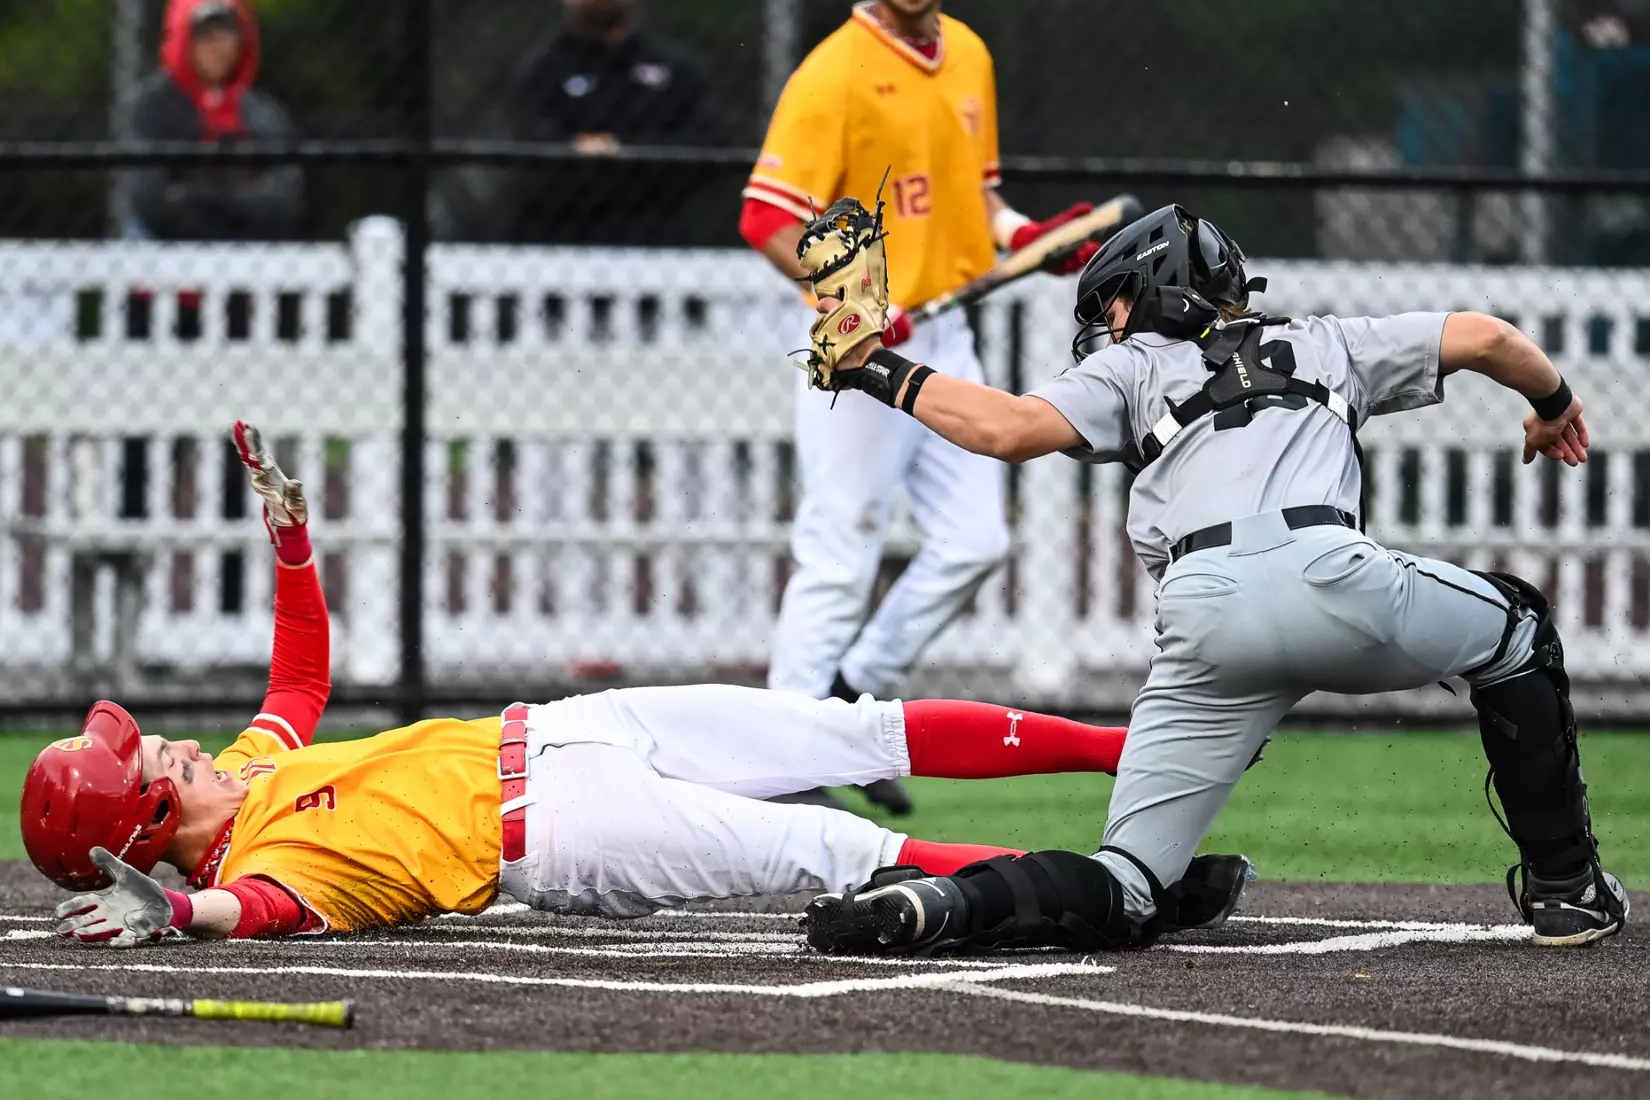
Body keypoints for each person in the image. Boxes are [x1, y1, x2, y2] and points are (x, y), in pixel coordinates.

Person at [24, 422, 1249, 946]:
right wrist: (181, 915)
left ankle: (1134, 744)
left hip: (562, 728)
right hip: (561, 832)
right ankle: (1125, 890)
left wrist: (289, 542)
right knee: (828, 846)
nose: (166, 748)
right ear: (139, 827)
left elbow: (299, 672)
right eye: (146, 767)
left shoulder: (250, 772)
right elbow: (264, 917)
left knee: (851, 728)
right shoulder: (260, 869)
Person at [794, 201, 1628, 955]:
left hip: (1205, 619)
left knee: (1125, 886)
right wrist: (1553, 404)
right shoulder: (1327, 341)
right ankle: (1567, 890)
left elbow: (1003, 429)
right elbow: (1488, 337)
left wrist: (875, 367)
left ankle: (936, 908)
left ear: (1154, 286)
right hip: (1337, 580)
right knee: (1516, 630)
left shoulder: (1129, 371)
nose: (1108, 326)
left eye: (1113, 304)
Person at [741, 0, 1114, 817]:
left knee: (977, 540)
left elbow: (977, 207)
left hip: (944, 335)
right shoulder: (832, 74)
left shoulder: (969, 54)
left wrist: (1029, 241)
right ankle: (780, 767)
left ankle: (850, 701)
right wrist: (851, 300)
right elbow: (766, 218)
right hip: (861, 342)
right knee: (841, 548)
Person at [505, 0, 725, 245]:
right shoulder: (542, 71)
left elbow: (706, 145)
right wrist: (581, 153)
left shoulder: (675, 68)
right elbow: (530, 148)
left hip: (659, 239)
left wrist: (626, 152)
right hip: (561, 239)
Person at [129, 0, 302, 242]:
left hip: (248, 246)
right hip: (168, 246)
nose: (218, 46)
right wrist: (240, 198)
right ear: (183, 39)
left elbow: (283, 200)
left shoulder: (261, 112)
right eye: (206, 35)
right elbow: (152, 200)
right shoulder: (154, 106)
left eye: (227, 34)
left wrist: (194, 195)